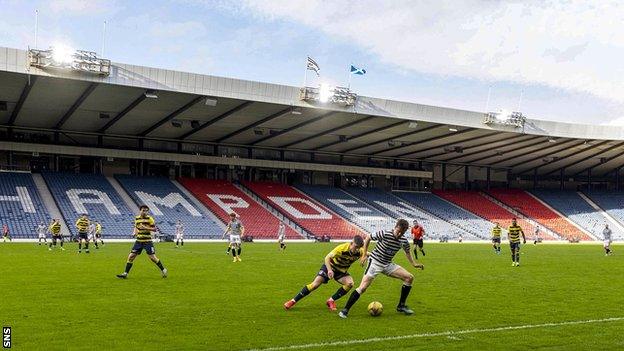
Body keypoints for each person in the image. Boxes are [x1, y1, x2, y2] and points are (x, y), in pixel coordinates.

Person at [338, 219, 424, 319]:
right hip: (374, 262)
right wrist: (364, 254)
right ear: (395, 227)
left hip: (387, 264)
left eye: (402, 232)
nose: (399, 234)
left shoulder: (403, 241)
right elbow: (368, 237)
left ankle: (401, 306)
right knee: (363, 287)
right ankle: (345, 310)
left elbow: (407, 252)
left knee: (409, 278)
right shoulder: (384, 233)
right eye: (398, 231)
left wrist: (414, 264)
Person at [284, 235, 366, 311]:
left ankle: (331, 301)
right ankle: (292, 301)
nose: (357, 250)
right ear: (351, 243)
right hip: (330, 266)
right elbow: (327, 258)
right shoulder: (341, 249)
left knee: (350, 283)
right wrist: (329, 270)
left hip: (341, 271)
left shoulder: (360, 251)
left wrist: (364, 257)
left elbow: (366, 253)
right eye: (355, 247)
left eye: (359, 248)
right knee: (314, 285)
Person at [116, 205, 167, 279]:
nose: (145, 212)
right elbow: (136, 227)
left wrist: (145, 227)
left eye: (146, 210)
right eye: (143, 210)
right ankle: (125, 273)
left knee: (152, 258)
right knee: (131, 257)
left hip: (147, 241)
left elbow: (155, 229)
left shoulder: (150, 219)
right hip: (139, 241)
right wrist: (134, 232)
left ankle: (163, 270)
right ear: (140, 210)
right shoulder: (137, 218)